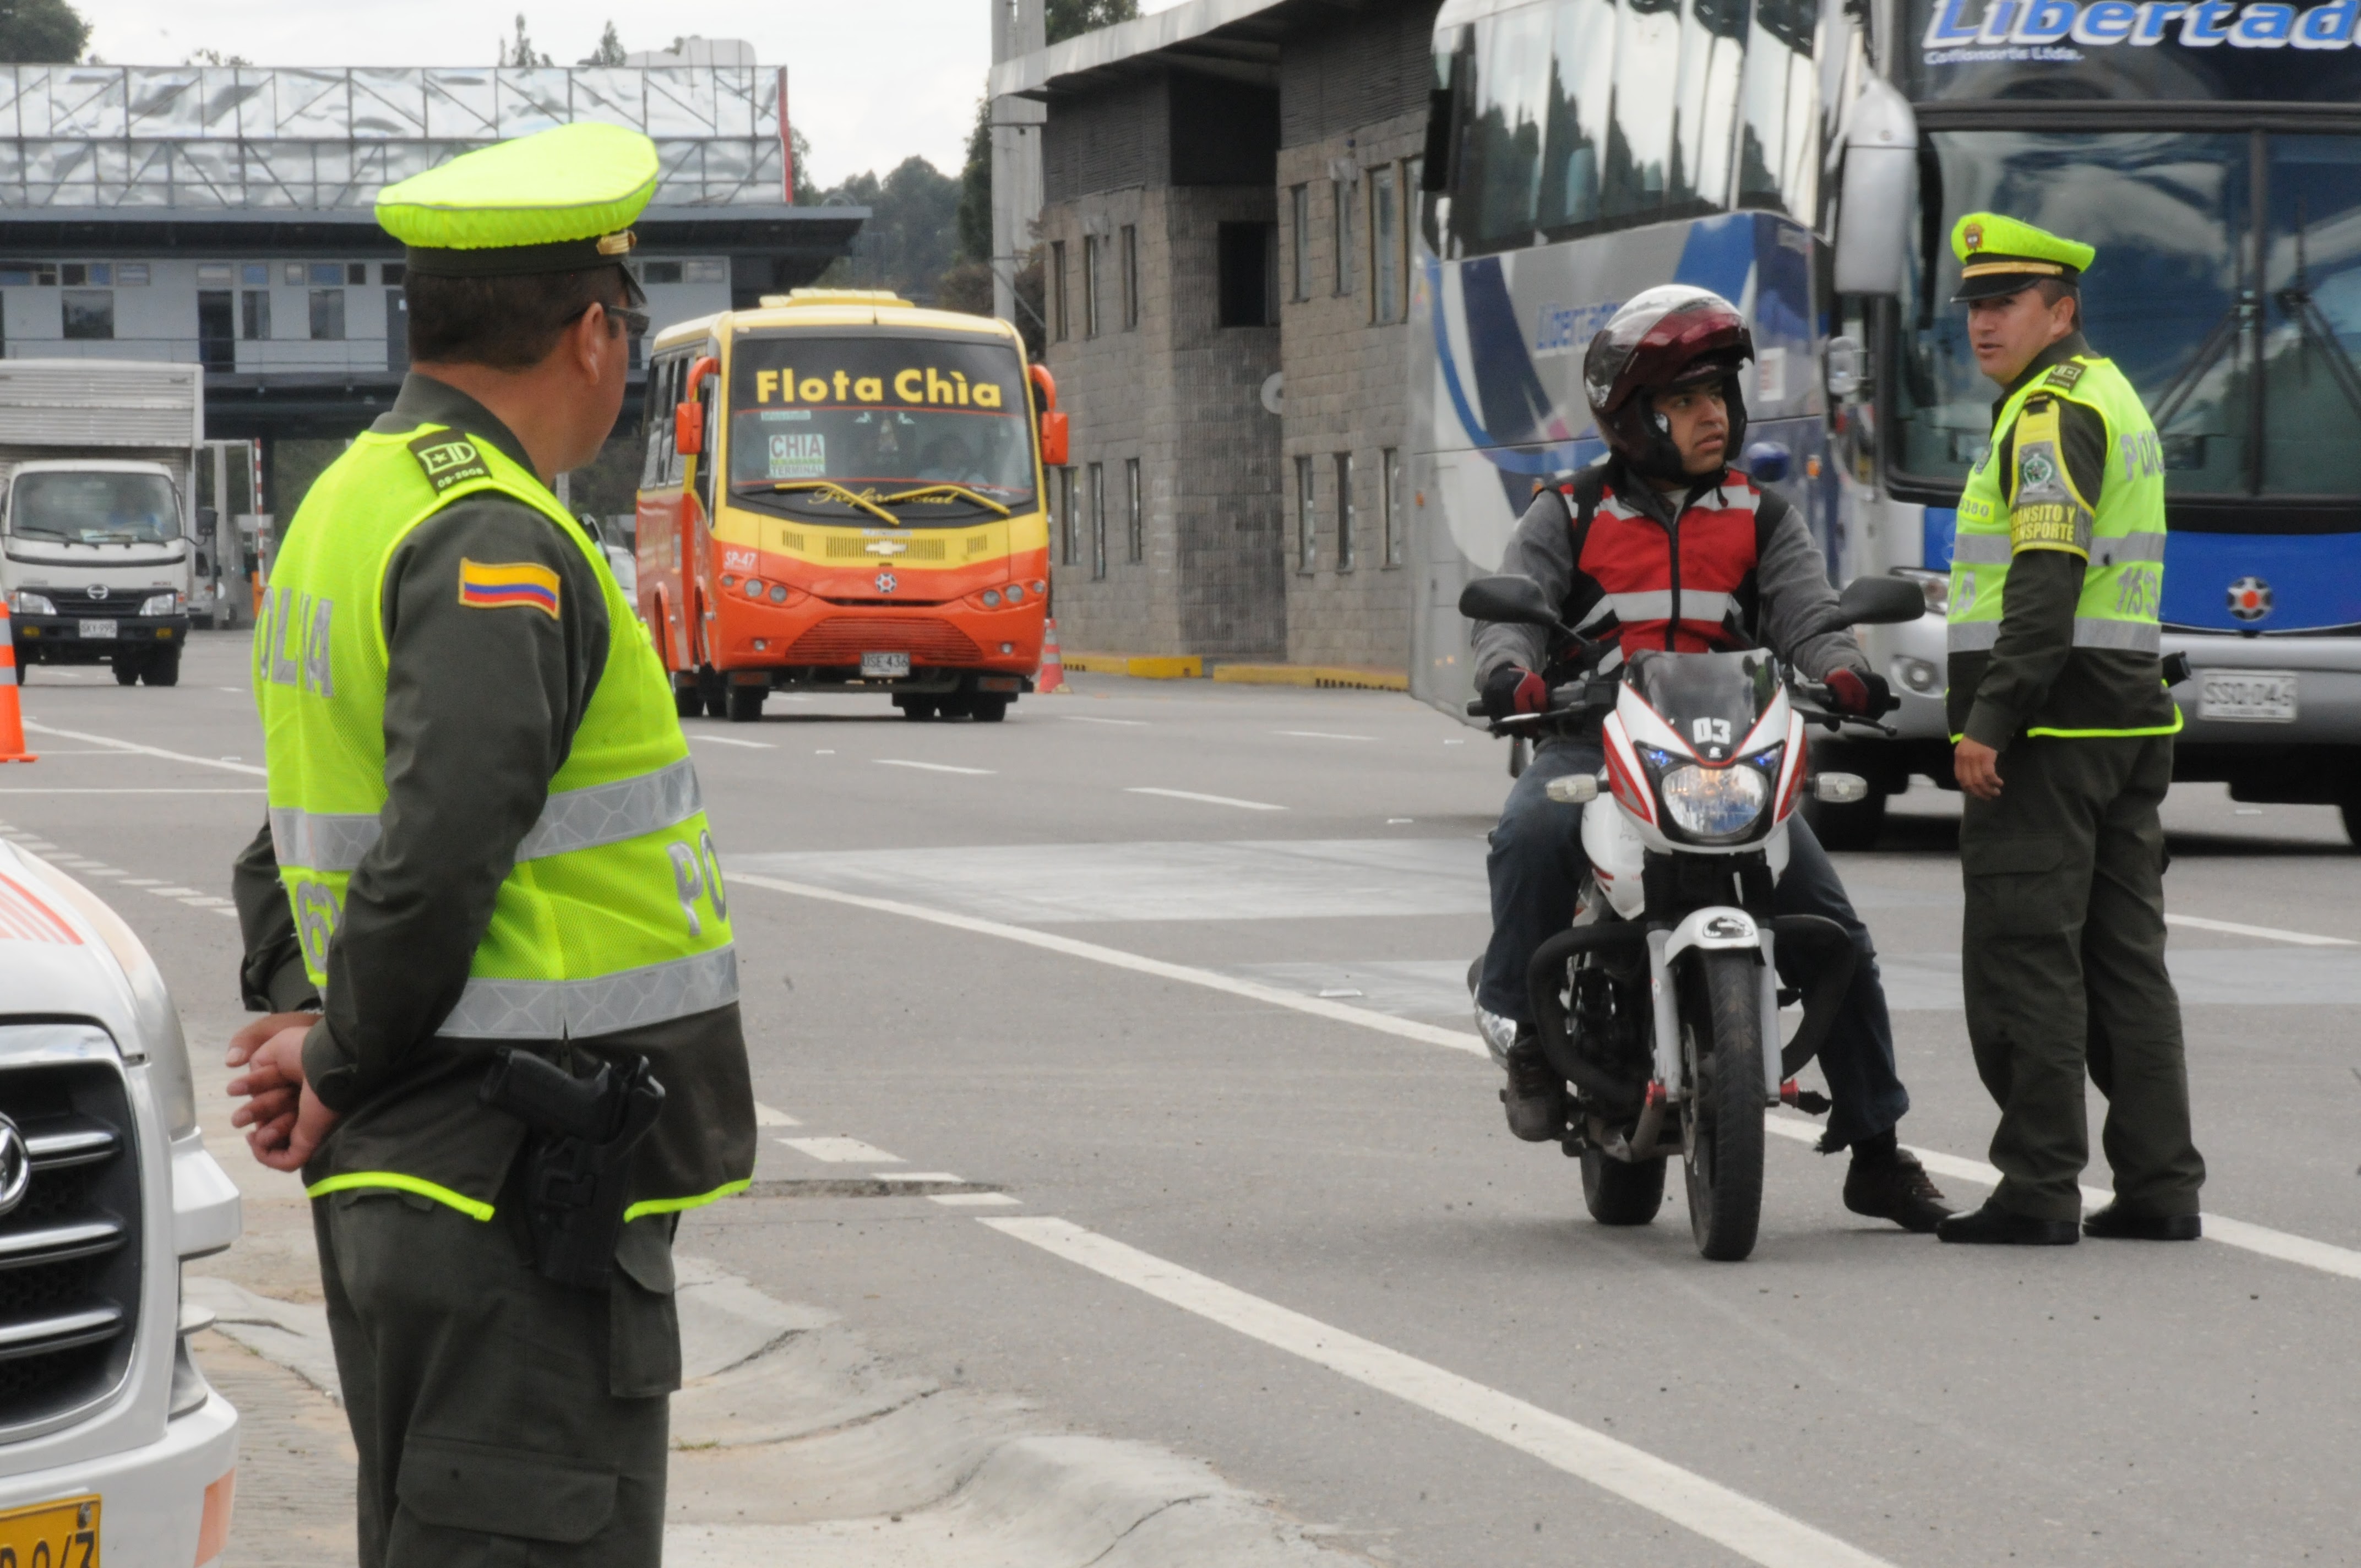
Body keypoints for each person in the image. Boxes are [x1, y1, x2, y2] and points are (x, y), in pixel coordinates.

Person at [224, 121, 757, 1563]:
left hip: (430, 1180)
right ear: (592, 333)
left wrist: (308, 1026)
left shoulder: (350, 501)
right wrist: (332, 1059)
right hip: (509, 1193)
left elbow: (291, 829)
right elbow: (443, 838)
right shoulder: (497, 535)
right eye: (628, 328)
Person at [1471, 285, 1950, 1234]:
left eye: (1720, 396)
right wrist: (1510, 676)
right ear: (1635, 415)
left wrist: (1847, 674)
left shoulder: (1762, 515)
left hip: (1725, 751)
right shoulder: (1568, 510)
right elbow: (1508, 613)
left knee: (1833, 931)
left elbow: (1810, 616)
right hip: (1596, 740)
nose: (1713, 415)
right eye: (1688, 400)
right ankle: (1525, 1033)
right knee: (1530, 831)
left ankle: (1877, 1148)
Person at [1932, 213, 2205, 1246]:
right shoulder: (2113, 393)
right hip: (2127, 721)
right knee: (2127, 962)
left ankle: (2039, 1188)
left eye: (2006, 304)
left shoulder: (2046, 416)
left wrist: (1990, 720)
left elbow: (2046, 585)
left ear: (2062, 309)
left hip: (2051, 736)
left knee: (2026, 960)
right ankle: (2161, 1185)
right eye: (1975, 307)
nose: (1985, 323)